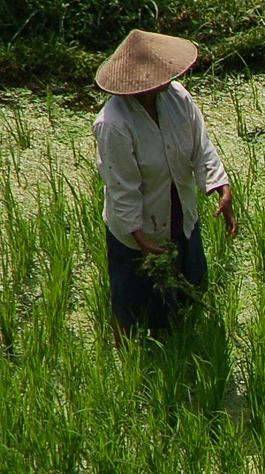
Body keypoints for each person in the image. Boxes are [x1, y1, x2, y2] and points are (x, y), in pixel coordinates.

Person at [93, 29, 238, 341]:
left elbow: (200, 147)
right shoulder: (114, 123)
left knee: (185, 289)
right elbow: (121, 186)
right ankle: (129, 358)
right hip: (138, 230)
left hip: (179, 214)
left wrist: (219, 187)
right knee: (133, 302)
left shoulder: (177, 98)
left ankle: (173, 345)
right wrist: (139, 236)